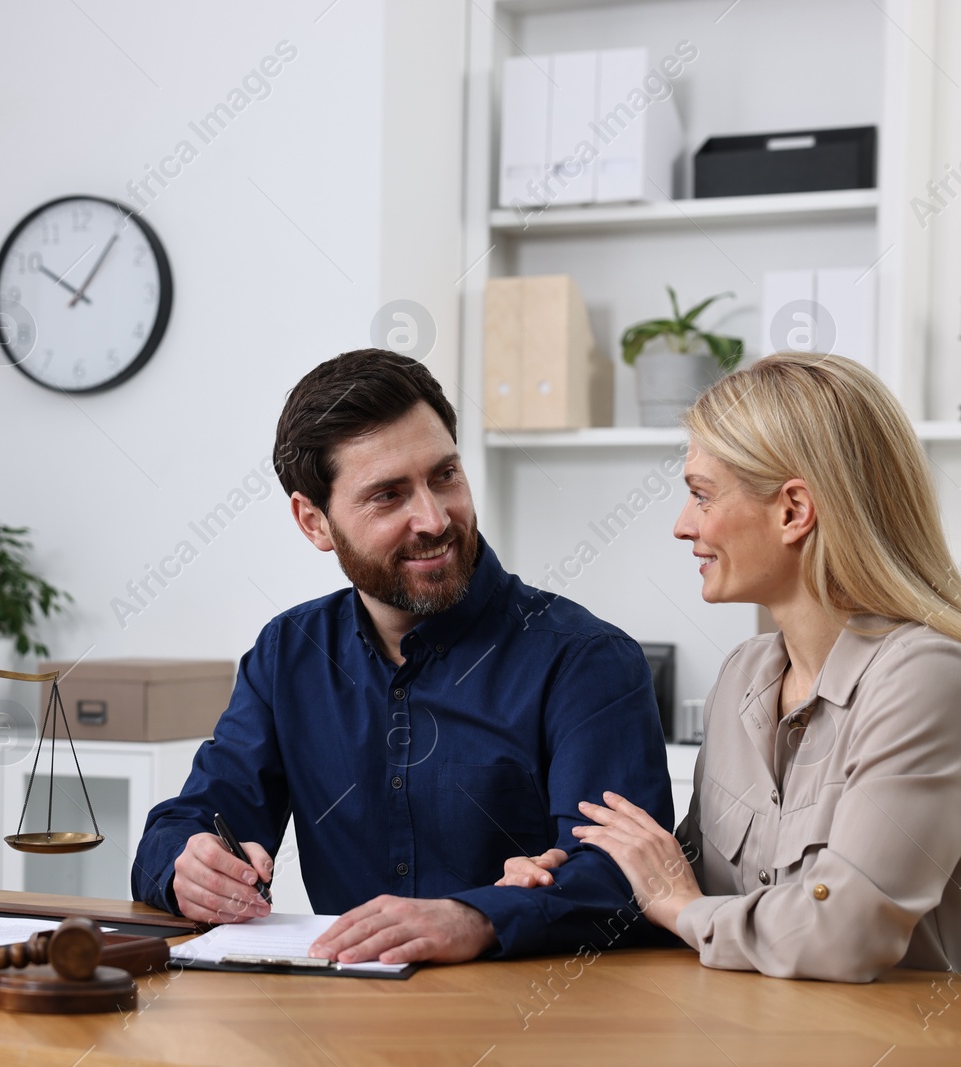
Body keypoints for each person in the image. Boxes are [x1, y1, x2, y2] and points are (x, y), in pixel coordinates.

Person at [130, 349, 674, 964]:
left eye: (445, 475)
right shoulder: (289, 655)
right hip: (341, 1028)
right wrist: (186, 867)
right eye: (388, 496)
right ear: (314, 522)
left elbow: (628, 882)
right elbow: (190, 821)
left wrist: (476, 918)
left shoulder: (587, 661)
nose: (435, 518)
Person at [498, 352, 961, 981]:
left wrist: (680, 905)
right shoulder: (744, 675)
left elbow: (841, 934)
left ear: (794, 511)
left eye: (701, 496)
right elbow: (688, 871)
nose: (683, 527)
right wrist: (578, 878)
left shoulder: (931, 679)